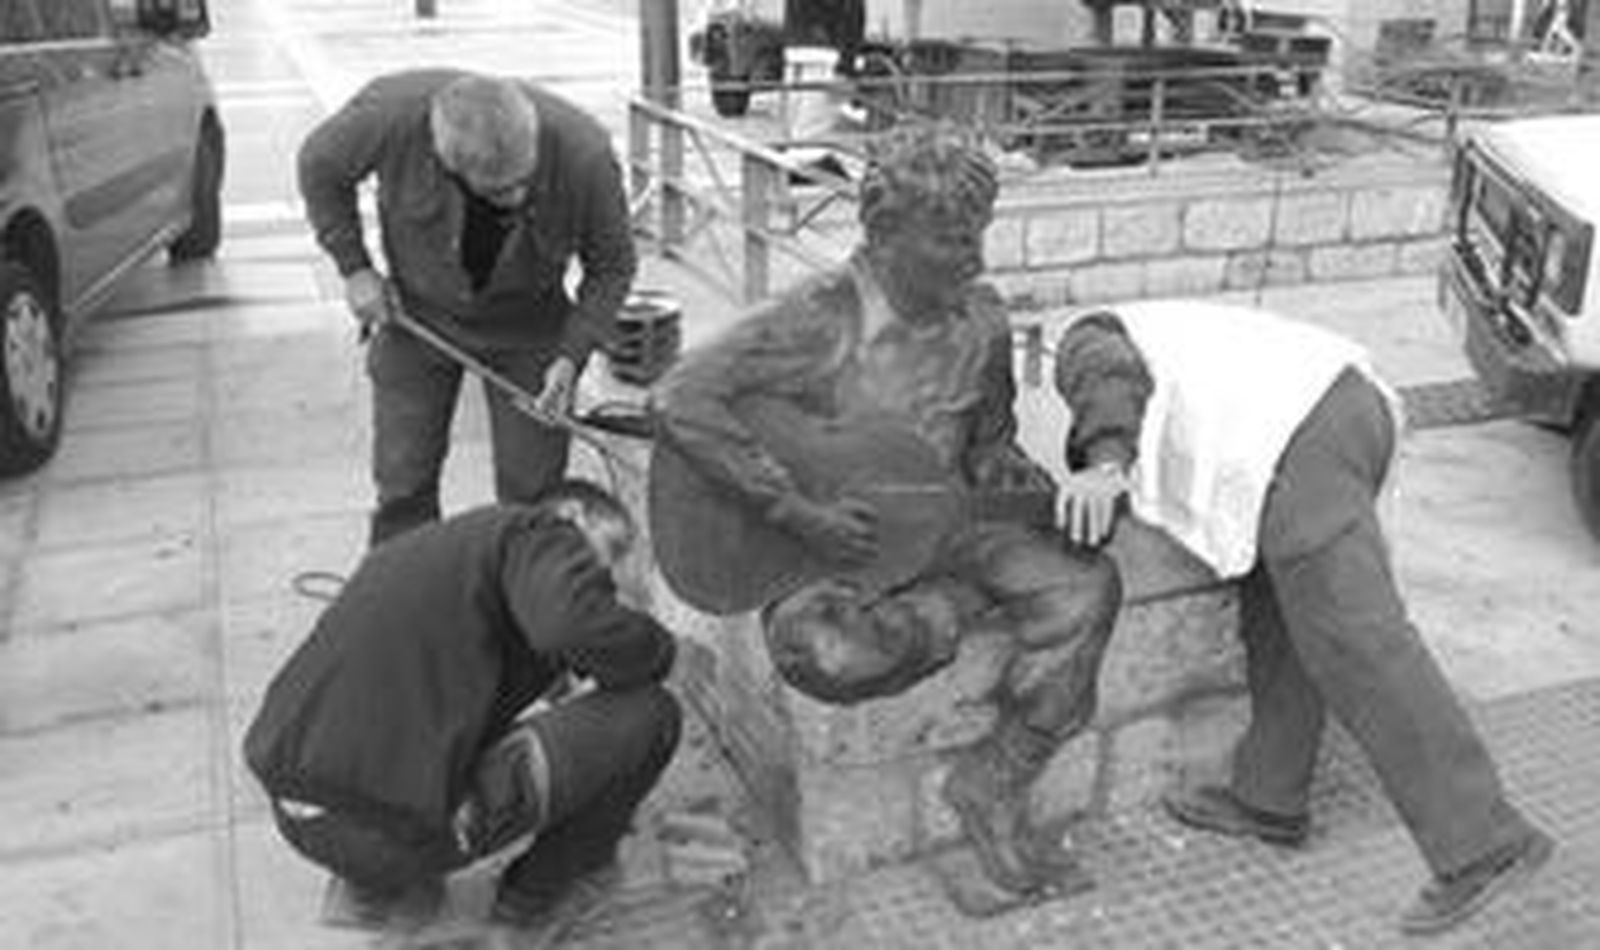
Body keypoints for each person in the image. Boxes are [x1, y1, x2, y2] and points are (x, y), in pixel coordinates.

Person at [652, 126, 1122, 899]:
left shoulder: (982, 320)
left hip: (951, 528)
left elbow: (991, 445)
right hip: (834, 550)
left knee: (1086, 584)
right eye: (949, 240)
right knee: (825, 654)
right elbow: (680, 396)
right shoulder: (819, 318)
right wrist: (796, 510)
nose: (974, 259)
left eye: (979, 236)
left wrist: (1014, 469)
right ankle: (935, 614)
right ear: (886, 234)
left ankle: (992, 783)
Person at [1050, 300, 1554, 935]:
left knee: (1358, 639)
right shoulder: (1169, 328)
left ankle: (1484, 842)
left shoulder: (1088, 337)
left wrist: (1102, 467)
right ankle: (1269, 796)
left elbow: (1106, 380)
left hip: (1307, 435)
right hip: (1330, 417)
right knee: (1284, 617)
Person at [243, 480, 680, 938]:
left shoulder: (438, 555)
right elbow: (569, 625)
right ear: (572, 514)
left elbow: (539, 640)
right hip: (384, 836)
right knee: (652, 716)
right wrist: (665, 652)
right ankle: (532, 903)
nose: (610, 578)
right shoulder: (537, 530)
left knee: (416, 727)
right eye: (614, 550)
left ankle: (372, 889)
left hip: (302, 816)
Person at [298, 69, 637, 547]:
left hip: (531, 330)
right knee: (403, 482)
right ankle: (408, 590)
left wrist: (571, 355)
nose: (517, 197)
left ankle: (522, 600)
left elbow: (613, 266)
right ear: (447, 164)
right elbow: (318, 165)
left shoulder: (584, 154)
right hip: (416, 318)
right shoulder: (391, 117)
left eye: (525, 182)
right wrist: (355, 269)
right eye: (499, 192)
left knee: (533, 497)